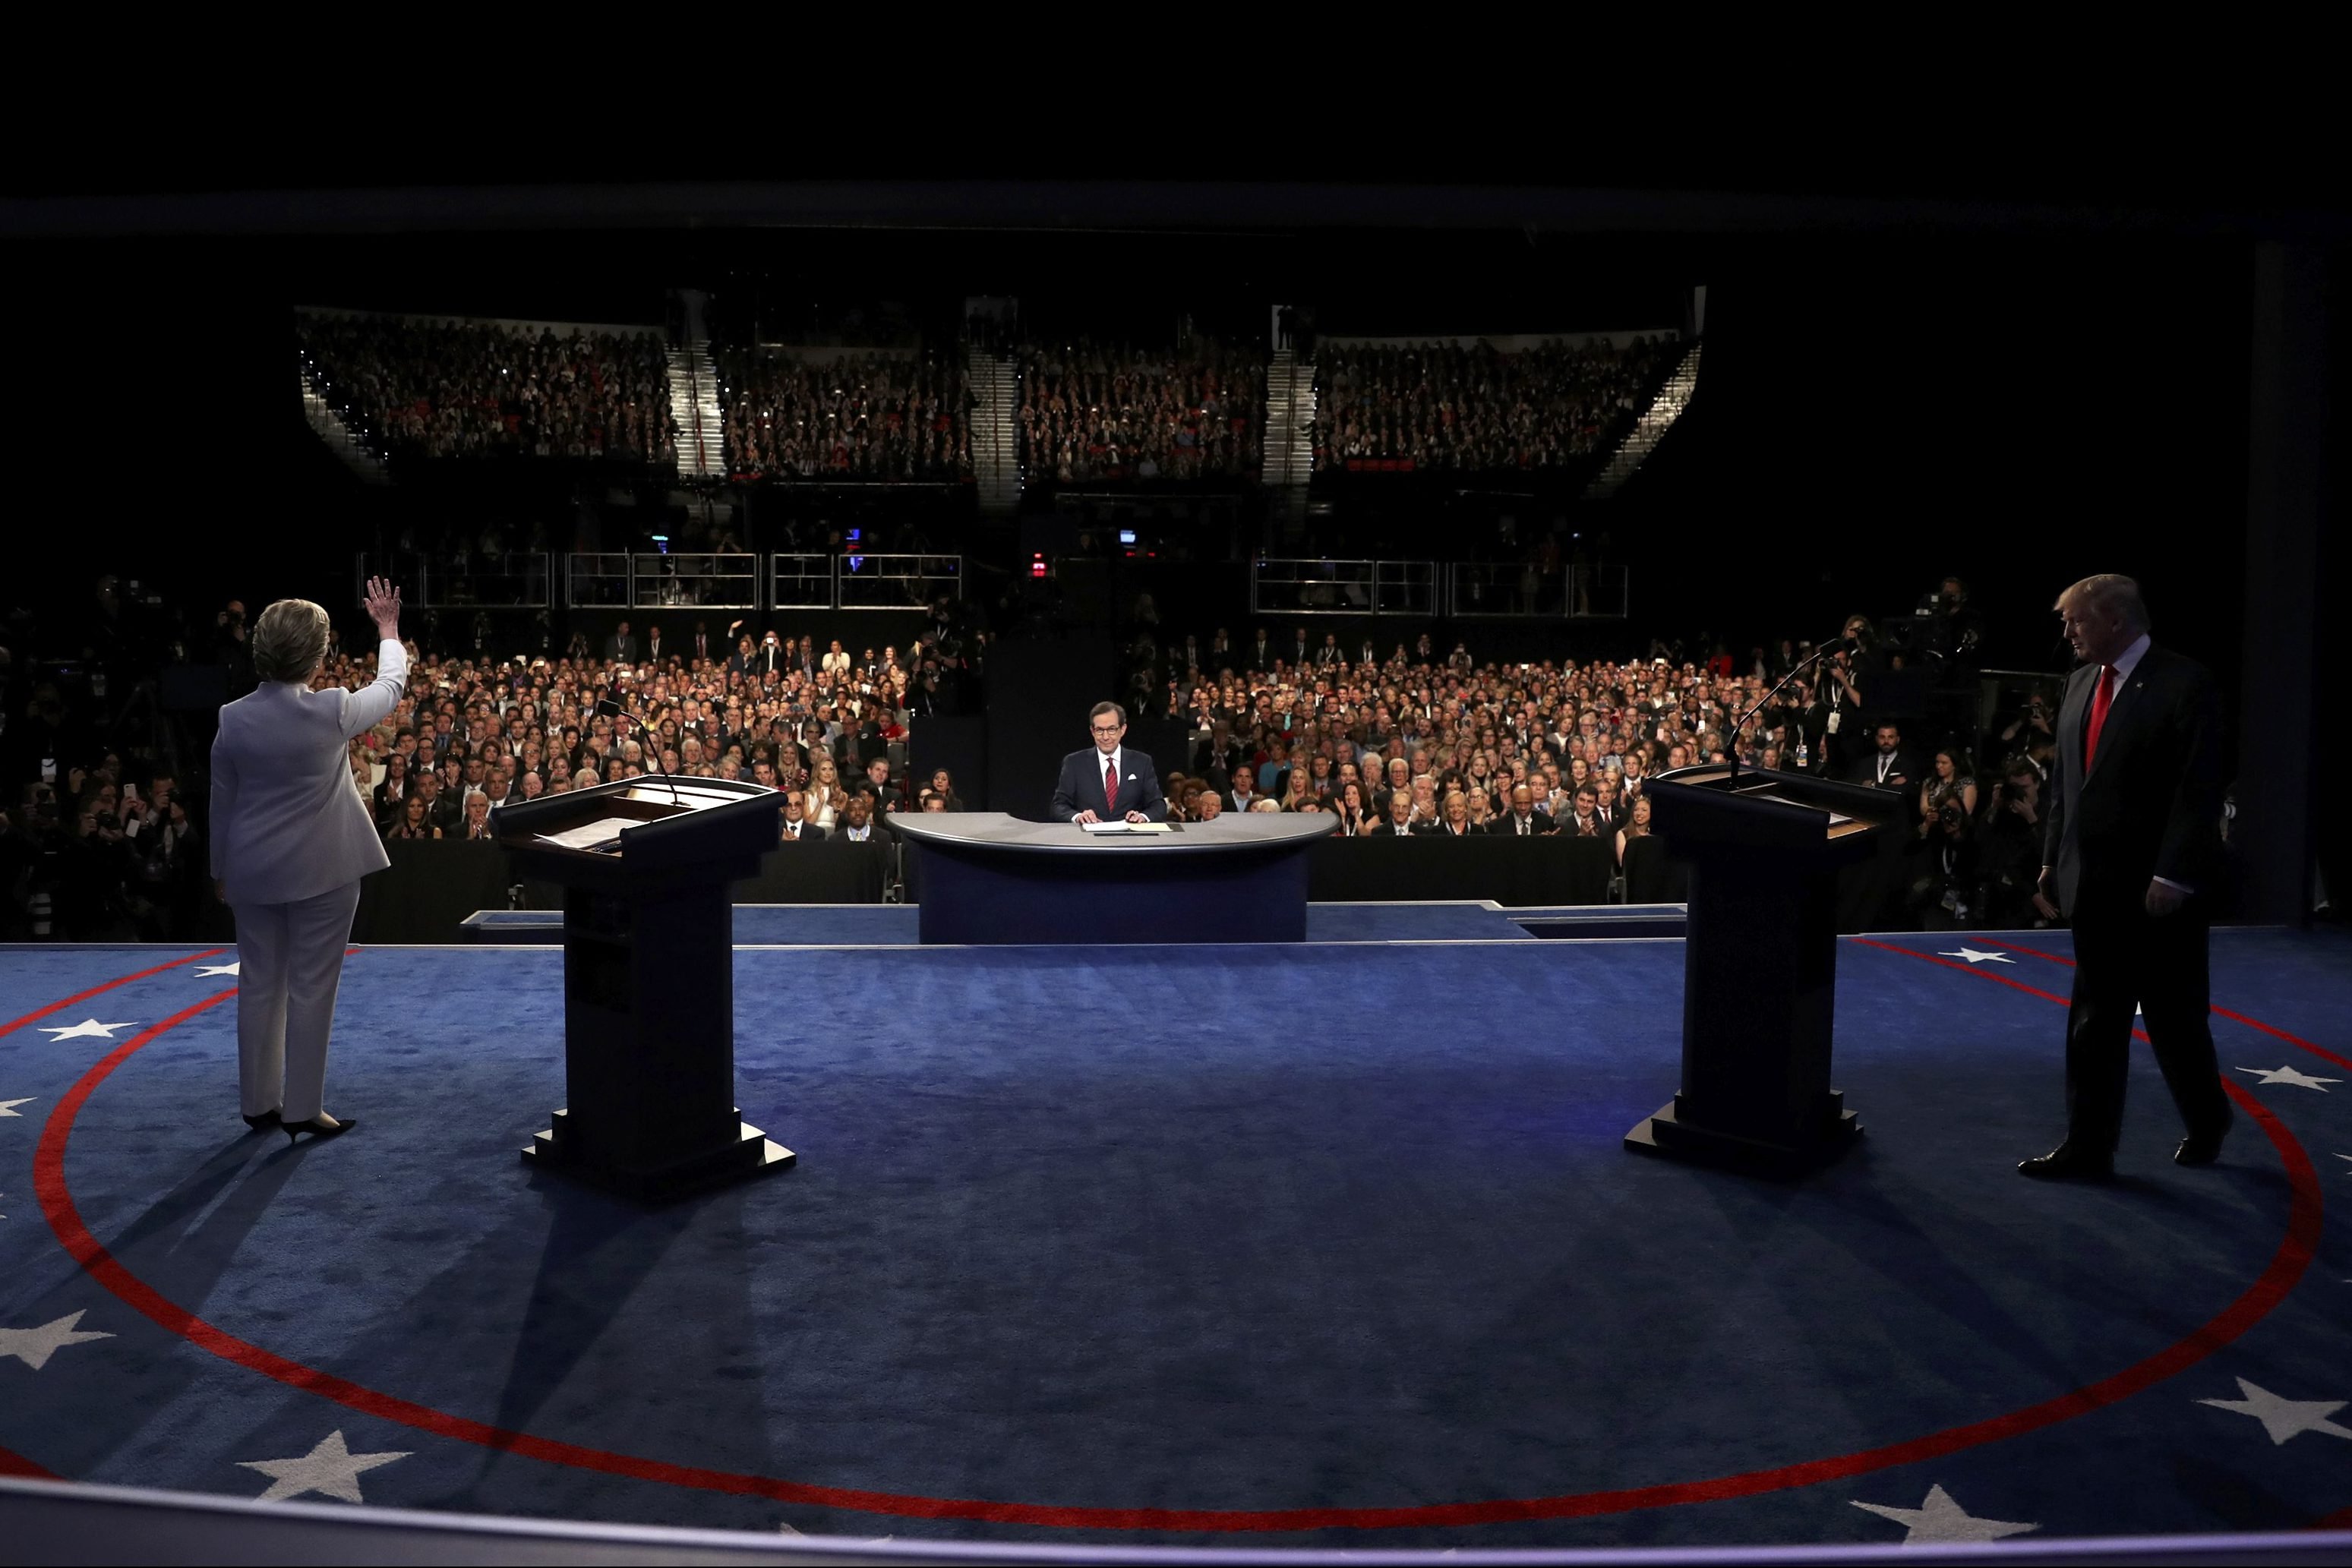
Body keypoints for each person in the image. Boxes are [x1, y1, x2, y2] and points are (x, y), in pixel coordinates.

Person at [2020, 575, 2230, 1180]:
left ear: (2114, 620)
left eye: (2075, 621)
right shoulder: (2079, 682)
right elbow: (2067, 786)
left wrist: (2173, 873)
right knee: (2094, 1018)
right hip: (2093, 885)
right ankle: (2088, 1146)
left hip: (2159, 890)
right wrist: (2050, 859)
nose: (2067, 633)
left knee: (2173, 1019)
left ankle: (2207, 1116)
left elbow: (2198, 790)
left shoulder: (2184, 682)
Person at [210, 576, 406, 1144]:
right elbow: (391, 685)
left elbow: (222, 804)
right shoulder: (333, 710)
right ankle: (301, 1108)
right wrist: (388, 629)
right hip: (324, 871)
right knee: (313, 987)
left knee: (259, 982)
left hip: (250, 871)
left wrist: (220, 870)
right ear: (318, 656)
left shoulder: (231, 718)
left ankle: (258, 1103)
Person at [1051, 702, 1165, 825]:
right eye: (1099, 730)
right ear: (1092, 731)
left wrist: (1142, 817)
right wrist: (1078, 816)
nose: (1105, 737)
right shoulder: (1074, 763)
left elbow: (1158, 805)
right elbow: (1058, 806)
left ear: (1123, 730)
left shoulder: (1142, 762)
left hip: (1130, 839)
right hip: (1088, 840)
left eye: (1111, 729)